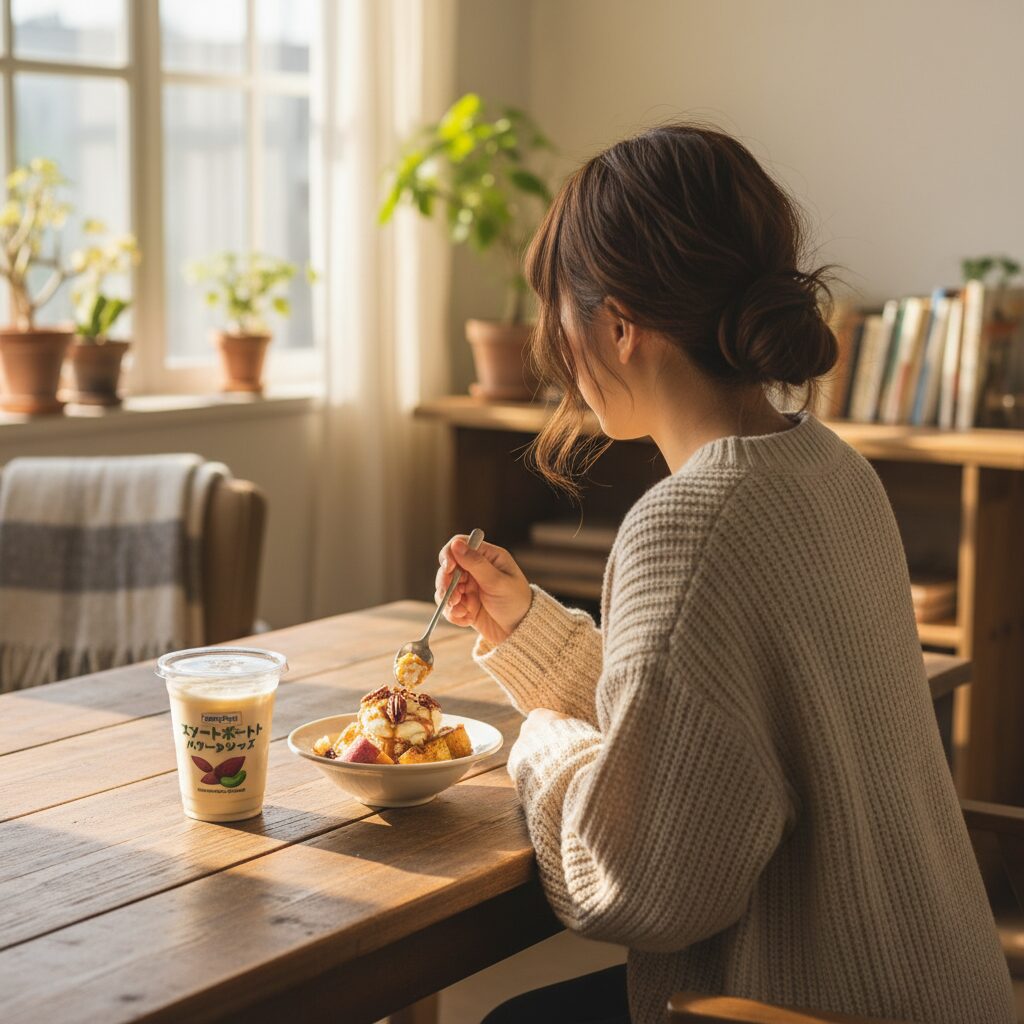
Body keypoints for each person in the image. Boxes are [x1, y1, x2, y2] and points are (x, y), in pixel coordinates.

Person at [435, 123, 1015, 1024]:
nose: (555, 342)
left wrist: (542, 741)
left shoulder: (689, 523)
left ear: (620, 323)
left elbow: (637, 889)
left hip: (807, 1003)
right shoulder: (828, 466)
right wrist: (525, 631)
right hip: (942, 990)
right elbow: (708, 729)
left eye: (561, 308)